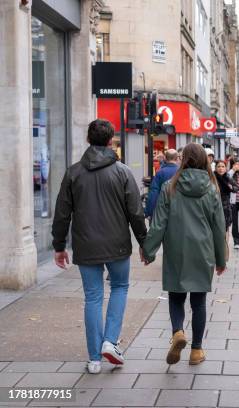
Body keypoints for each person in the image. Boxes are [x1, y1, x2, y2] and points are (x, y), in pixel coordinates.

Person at [51, 119, 147, 374]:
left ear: (88, 140)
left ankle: (94, 359)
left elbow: (62, 213)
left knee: (92, 297)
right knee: (120, 287)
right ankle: (110, 341)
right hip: (117, 244)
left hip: (85, 245)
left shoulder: (73, 172)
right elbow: (136, 212)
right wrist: (144, 243)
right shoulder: (123, 172)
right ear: (110, 141)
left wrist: (59, 245)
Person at [142, 143, 226, 366]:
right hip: (203, 250)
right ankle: (196, 351)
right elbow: (219, 227)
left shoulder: (170, 186)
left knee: (176, 297)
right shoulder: (211, 188)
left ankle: (178, 332)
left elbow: (158, 223)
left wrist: (148, 251)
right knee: (199, 302)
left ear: (183, 159)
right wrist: (221, 258)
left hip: (176, 249)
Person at [144, 149, 180, 219]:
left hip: (163, 211)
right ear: (177, 158)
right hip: (179, 210)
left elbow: (154, 193)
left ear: (165, 158)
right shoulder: (181, 172)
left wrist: (149, 212)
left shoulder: (160, 173)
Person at [214, 160, 238, 232]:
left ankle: (225, 243)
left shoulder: (227, 177)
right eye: (218, 166)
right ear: (215, 168)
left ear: (225, 168)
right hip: (215, 205)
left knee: (225, 228)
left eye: (223, 166)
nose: (221, 168)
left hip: (226, 207)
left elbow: (236, 188)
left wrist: (231, 187)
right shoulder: (212, 177)